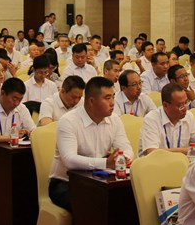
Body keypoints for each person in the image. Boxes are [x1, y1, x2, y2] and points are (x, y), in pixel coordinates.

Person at [48, 77, 133, 212]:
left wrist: (122, 159)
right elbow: (69, 160)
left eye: (113, 97)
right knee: (94, 205)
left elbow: (127, 149)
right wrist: (105, 163)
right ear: (91, 101)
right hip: (66, 183)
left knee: (128, 200)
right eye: (107, 98)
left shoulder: (115, 120)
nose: (112, 103)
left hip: (100, 180)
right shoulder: (68, 121)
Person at [138, 83, 195, 156]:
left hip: (181, 162)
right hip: (156, 162)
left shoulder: (188, 116)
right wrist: (183, 151)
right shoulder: (151, 119)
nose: (185, 109)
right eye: (180, 106)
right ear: (165, 105)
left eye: (186, 103)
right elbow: (152, 152)